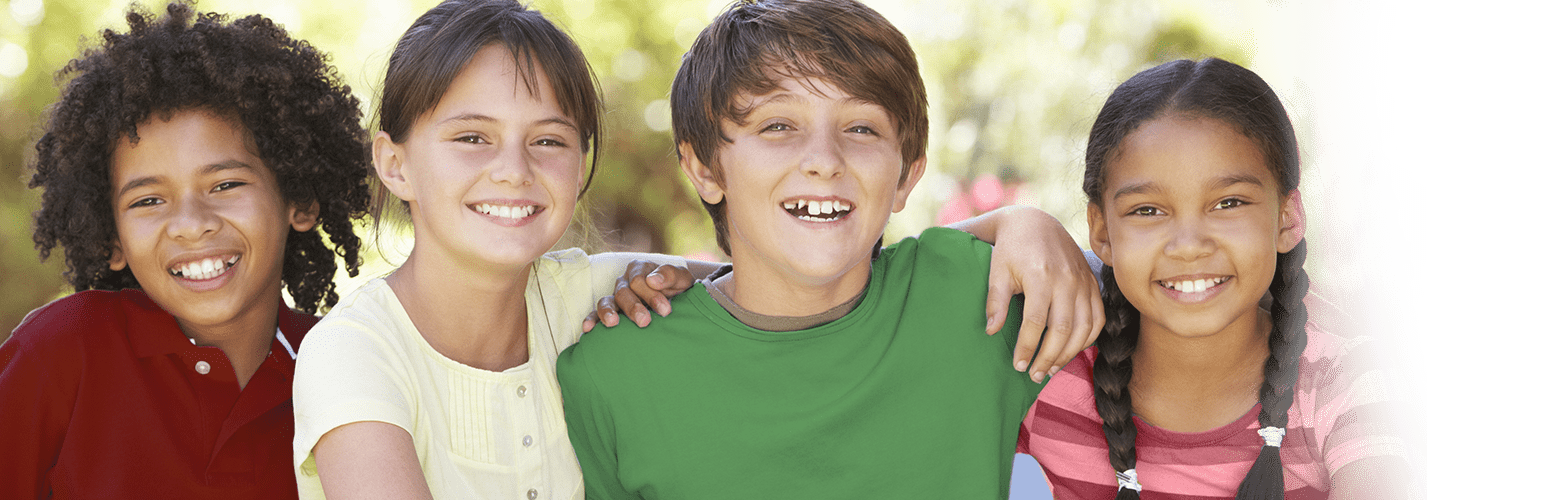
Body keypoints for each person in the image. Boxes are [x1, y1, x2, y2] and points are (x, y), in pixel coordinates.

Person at [293, 1, 1093, 498]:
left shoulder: (592, 296)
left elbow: (789, 268)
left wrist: (1016, 225)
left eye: (548, 140)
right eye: (471, 138)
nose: (513, 169)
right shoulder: (362, 355)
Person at [556, 0, 1101, 498]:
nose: (824, 158)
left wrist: (1025, 221)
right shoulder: (613, 374)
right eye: (777, 125)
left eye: (861, 128)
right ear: (703, 168)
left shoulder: (981, 300)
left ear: (906, 174)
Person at [0, 2, 372, 497]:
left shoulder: (343, 371)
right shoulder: (62, 353)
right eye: (149, 200)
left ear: (298, 198)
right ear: (112, 236)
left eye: (225, 185)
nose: (191, 226)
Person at [1015, 58, 1427, 499]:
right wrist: (1017, 225)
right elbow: (929, 274)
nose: (1189, 245)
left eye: (1229, 203)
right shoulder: (1046, 368)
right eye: (1147, 211)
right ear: (1102, 232)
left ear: (1289, 219)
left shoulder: (1347, 381)